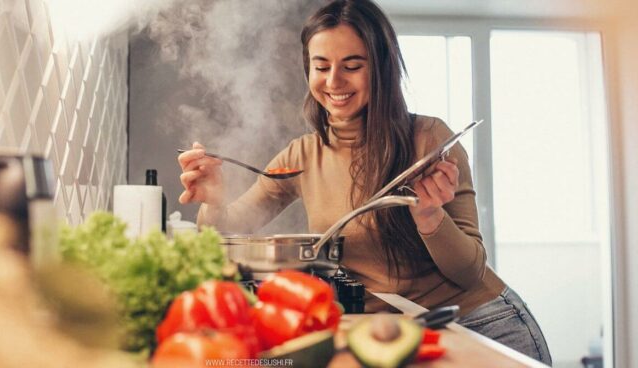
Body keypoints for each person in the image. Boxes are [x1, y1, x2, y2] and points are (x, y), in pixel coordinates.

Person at [176, 0, 551, 364]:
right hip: (392, 332)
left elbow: (469, 272)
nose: (334, 81)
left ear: (382, 68)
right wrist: (213, 199)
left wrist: (431, 217)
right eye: (321, 66)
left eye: (352, 65)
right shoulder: (302, 156)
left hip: (479, 323)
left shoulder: (429, 139)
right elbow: (226, 232)